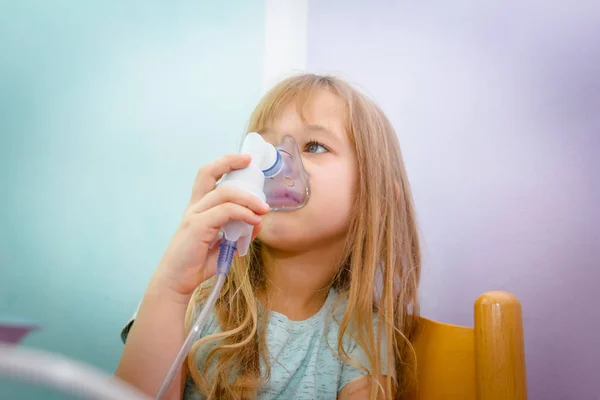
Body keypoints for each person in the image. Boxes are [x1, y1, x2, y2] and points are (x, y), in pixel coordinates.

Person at [115, 74, 421, 400]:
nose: (274, 164)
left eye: (313, 146)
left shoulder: (361, 338)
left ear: (378, 197)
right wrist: (171, 287)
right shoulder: (194, 302)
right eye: (265, 147)